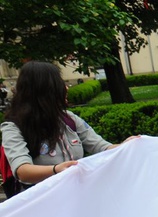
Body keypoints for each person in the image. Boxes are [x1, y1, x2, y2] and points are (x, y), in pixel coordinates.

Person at [1, 61, 136, 192]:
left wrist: (126, 145)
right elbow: (22, 171)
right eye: (59, 83)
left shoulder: (69, 119)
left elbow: (101, 146)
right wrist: (56, 169)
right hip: (44, 204)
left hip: (76, 197)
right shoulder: (13, 127)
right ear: (43, 90)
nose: (65, 88)